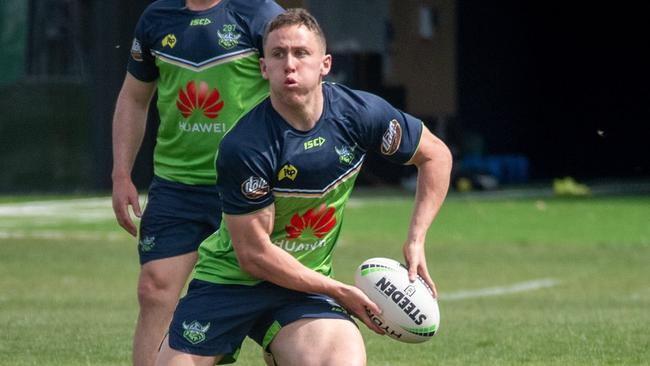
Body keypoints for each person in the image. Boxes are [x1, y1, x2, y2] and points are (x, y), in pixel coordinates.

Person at [155, 8, 452, 366]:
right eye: (277, 55)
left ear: (325, 64)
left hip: (301, 290)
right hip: (229, 282)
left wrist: (416, 239)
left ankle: (284, 345)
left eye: (301, 53)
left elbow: (435, 156)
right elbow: (254, 256)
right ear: (263, 68)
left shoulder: (359, 115)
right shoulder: (245, 146)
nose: (289, 64)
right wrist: (337, 290)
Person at [111, 1, 284, 365]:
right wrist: (121, 172)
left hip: (247, 186)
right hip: (177, 186)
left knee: (277, 293)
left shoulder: (260, 14)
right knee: (154, 289)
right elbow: (134, 97)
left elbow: (292, 91)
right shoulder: (156, 18)